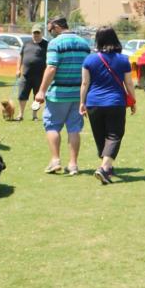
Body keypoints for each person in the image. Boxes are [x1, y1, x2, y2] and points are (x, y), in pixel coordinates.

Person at [79, 26, 136, 184]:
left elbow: (84, 83)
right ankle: (104, 168)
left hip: (93, 103)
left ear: (98, 39)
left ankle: (107, 167)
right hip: (115, 102)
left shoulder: (89, 59)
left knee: (101, 136)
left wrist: (82, 102)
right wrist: (133, 100)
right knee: (114, 135)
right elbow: (129, 83)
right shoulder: (123, 59)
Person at [34, 16, 91, 175]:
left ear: (57, 27)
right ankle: (73, 164)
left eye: (50, 29)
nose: (50, 33)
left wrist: (41, 91)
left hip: (58, 94)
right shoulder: (84, 43)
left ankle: (55, 160)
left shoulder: (55, 43)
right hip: (78, 95)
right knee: (74, 129)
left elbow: (51, 68)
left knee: (52, 125)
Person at [16, 24, 48, 121]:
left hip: (40, 76)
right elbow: (20, 57)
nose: (36, 34)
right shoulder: (26, 44)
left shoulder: (46, 44)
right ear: (32, 33)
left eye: (38, 33)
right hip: (25, 75)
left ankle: (34, 115)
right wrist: (18, 69)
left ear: (41, 33)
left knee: (37, 97)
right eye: (34, 33)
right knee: (22, 95)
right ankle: (20, 114)